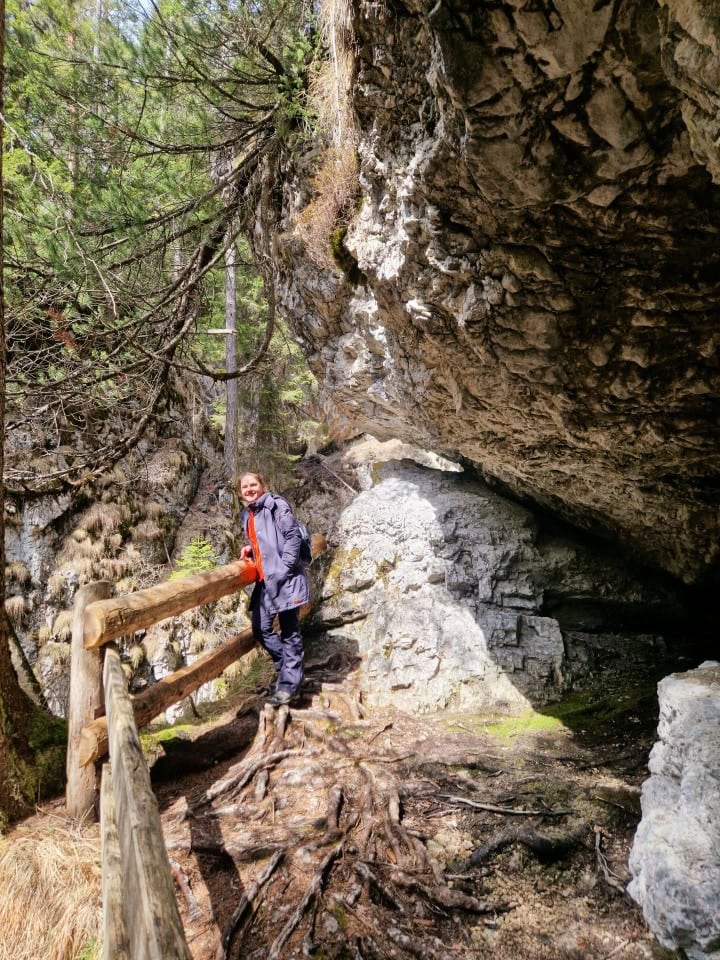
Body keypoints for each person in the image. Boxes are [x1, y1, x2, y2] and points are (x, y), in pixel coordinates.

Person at [238, 472, 309, 706]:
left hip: (284, 578)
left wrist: (284, 567)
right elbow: (261, 540)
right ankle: (287, 671)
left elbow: (292, 537)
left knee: (289, 631)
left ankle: (289, 685)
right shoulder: (248, 514)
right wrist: (249, 549)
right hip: (266, 581)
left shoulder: (275, 505)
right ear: (241, 492)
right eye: (245, 486)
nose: (249, 489)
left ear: (263, 485)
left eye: (253, 485)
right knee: (260, 628)